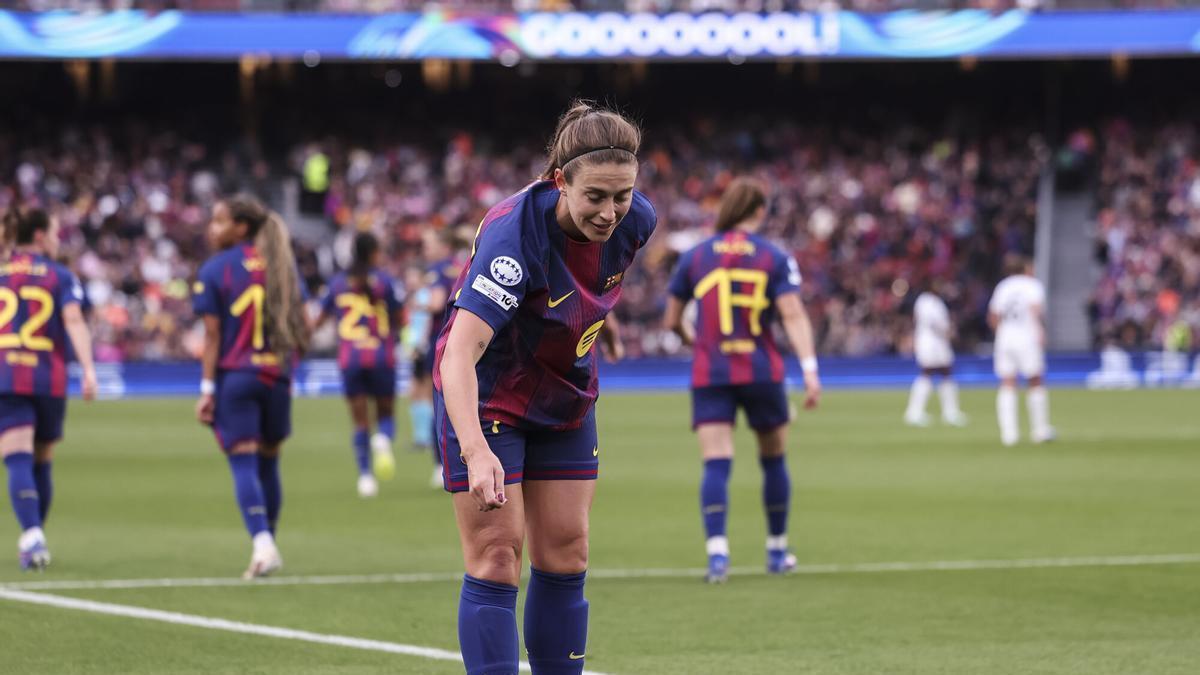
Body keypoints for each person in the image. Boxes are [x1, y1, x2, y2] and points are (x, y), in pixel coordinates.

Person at [434, 101, 655, 675]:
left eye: (622, 195)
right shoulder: (513, 237)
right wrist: (475, 449)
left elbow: (583, 289)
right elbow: (460, 351)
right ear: (560, 181)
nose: (611, 213)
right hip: (490, 397)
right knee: (497, 555)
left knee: (567, 553)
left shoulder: (638, 222)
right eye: (595, 197)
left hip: (566, 396)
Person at [663, 177, 821, 584]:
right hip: (761, 370)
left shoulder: (695, 257)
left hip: (711, 372)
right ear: (759, 211)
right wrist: (809, 368)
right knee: (773, 459)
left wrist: (695, 342)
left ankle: (718, 555)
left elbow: (671, 321)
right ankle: (777, 549)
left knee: (716, 462)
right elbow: (792, 314)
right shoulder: (773, 256)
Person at [192, 194, 308, 579]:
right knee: (269, 462)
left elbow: (212, 336)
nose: (212, 228)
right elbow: (300, 327)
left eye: (219, 221)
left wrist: (207, 389)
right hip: (276, 375)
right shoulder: (281, 265)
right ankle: (268, 544)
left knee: (243, 462)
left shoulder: (216, 269)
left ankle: (262, 545)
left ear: (241, 227)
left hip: (236, 376)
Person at [0, 207, 97, 570]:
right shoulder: (60, 275)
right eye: (55, 232)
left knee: (18, 457)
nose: (58, 240)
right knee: (42, 458)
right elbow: (73, 320)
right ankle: (35, 534)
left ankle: (32, 534)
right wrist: (88, 370)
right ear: (40, 235)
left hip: (6, 375)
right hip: (47, 377)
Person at [313, 232, 403, 498]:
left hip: (350, 358)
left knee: (360, 421)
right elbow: (401, 316)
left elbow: (319, 318)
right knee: (385, 415)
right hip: (380, 356)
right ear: (374, 252)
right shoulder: (386, 282)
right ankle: (383, 439)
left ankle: (365, 477)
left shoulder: (337, 284)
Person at [418, 229, 469, 488]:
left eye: (428, 244)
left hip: (442, 343)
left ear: (442, 245)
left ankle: (442, 465)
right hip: (467, 343)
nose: (425, 249)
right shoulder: (462, 265)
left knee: (438, 405)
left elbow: (437, 304)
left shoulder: (437, 270)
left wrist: (415, 302)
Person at [988, 255, 1054, 446]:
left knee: (1007, 382)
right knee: (1035, 380)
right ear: (1025, 268)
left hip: (1005, 338)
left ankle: (1009, 435)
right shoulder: (1032, 285)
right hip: (1027, 337)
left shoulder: (1002, 287)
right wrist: (1040, 331)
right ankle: (1040, 430)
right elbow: (1035, 310)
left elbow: (993, 317)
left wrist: (1002, 333)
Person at [904, 281, 967, 427]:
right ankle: (915, 411)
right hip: (932, 343)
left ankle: (949, 411)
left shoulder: (928, 301)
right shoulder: (928, 301)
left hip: (934, 342)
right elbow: (935, 323)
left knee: (946, 372)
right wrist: (948, 332)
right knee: (928, 372)